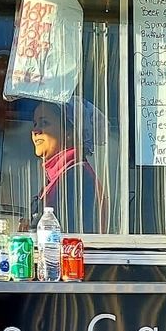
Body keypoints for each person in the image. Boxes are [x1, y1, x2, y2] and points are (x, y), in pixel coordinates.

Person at [28, 98, 105, 234]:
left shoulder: (77, 180)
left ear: (69, 133)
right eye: (35, 124)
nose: (35, 131)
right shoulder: (62, 175)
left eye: (44, 123)